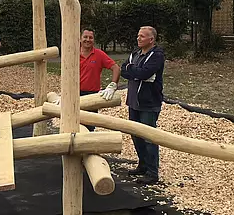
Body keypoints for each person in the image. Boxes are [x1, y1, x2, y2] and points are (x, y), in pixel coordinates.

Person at [120, 26, 165, 185]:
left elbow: (144, 73)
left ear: (151, 39)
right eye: (138, 35)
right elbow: (123, 70)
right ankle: (143, 164)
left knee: (149, 137)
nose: (138, 38)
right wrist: (135, 71)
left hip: (148, 103)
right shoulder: (135, 54)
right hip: (133, 101)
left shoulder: (157, 56)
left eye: (142, 36)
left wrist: (133, 71)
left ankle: (152, 173)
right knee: (136, 135)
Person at [53, 28, 121, 131]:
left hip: (92, 96)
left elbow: (116, 68)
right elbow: (66, 73)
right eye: (85, 37)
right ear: (80, 38)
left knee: (89, 126)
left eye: (90, 37)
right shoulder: (73, 54)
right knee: (71, 124)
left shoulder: (99, 54)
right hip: (74, 94)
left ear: (94, 40)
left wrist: (113, 85)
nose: (88, 40)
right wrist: (64, 94)